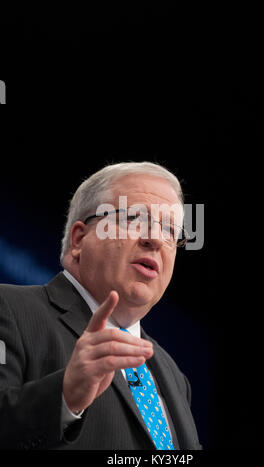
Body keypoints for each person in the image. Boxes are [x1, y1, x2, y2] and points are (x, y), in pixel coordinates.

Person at [0, 161, 202, 450]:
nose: (155, 239)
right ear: (80, 239)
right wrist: (64, 398)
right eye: (135, 218)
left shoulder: (173, 376)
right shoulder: (8, 309)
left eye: (170, 229)